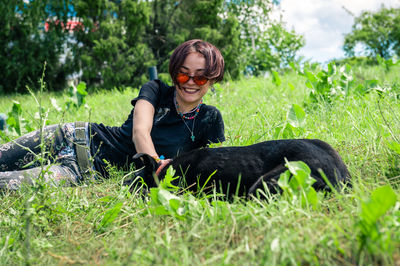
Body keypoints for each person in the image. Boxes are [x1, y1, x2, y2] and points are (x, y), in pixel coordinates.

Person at [0, 39, 225, 190]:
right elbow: (140, 132)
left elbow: (210, 166)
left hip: (81, 171)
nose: (191, 83)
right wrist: (157, 167)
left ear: (212, 79)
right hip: (70, 136)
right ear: (175, 74)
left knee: (7, 185)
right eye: (184, 75)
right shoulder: (155, 90)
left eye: (201, 77)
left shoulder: (210, 119)